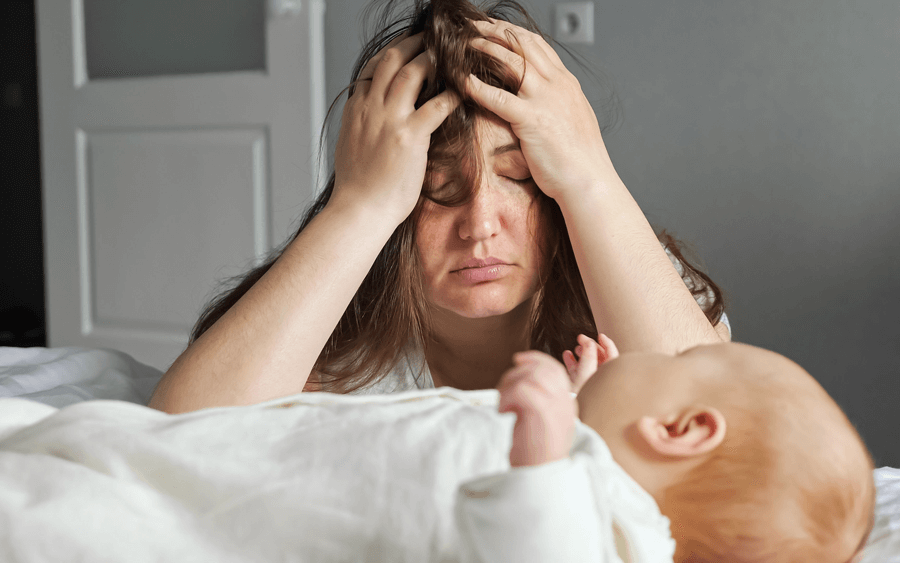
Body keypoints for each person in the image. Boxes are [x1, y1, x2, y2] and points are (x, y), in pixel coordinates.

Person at [148, 0, 730, 414]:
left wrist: (592, 175)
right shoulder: (340, 339)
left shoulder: (634, 279)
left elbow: (719, 421)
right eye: (438, 189)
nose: (480, 227)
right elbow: (182, 430)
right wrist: (360, 204)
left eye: (518, 177)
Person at [454, 335, 876, 563]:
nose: (658, 350)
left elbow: (548, 547)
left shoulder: (626, 534)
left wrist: (542, 465)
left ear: (679, 429)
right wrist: (583, 404)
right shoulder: (605, 492)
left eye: (680, 355)